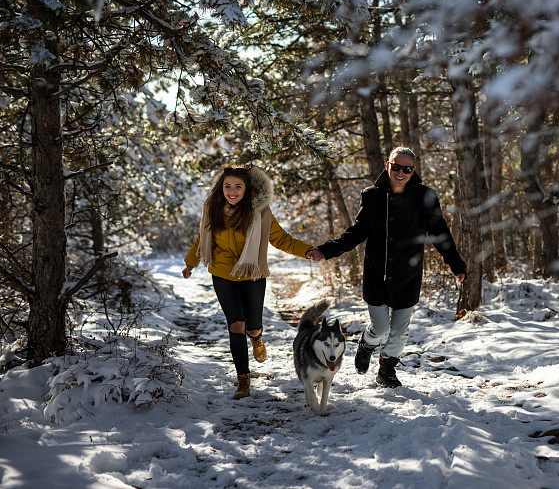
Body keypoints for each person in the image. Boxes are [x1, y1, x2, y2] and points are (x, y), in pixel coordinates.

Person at [311, 147, 466, 387]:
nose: (401, 172)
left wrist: (455, 264)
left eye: (407, 169)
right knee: (380, 327)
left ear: (413, 171)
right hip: (376, 275)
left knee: (400, 332)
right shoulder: (372, 196)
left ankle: (386, 369)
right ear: (388, 166)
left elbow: (440, 233)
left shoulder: (426, 197)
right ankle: (366, 344)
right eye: (396, 167)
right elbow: (356, 233)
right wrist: (326, 250)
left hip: (408, 276)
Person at [182, 166, 321, 399]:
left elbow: (281, 239)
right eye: (227, 186)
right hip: (223, 274)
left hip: (252, 274)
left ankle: (257, 337)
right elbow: (201, 238)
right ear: (221, 187)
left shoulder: (261, 212)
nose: (232, 191)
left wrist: (308, 251)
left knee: (252, 326)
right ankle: (243, 380)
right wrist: (190, 263)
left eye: (238, 186)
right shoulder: (212, 209)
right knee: (236, 326)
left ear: (247, 189)